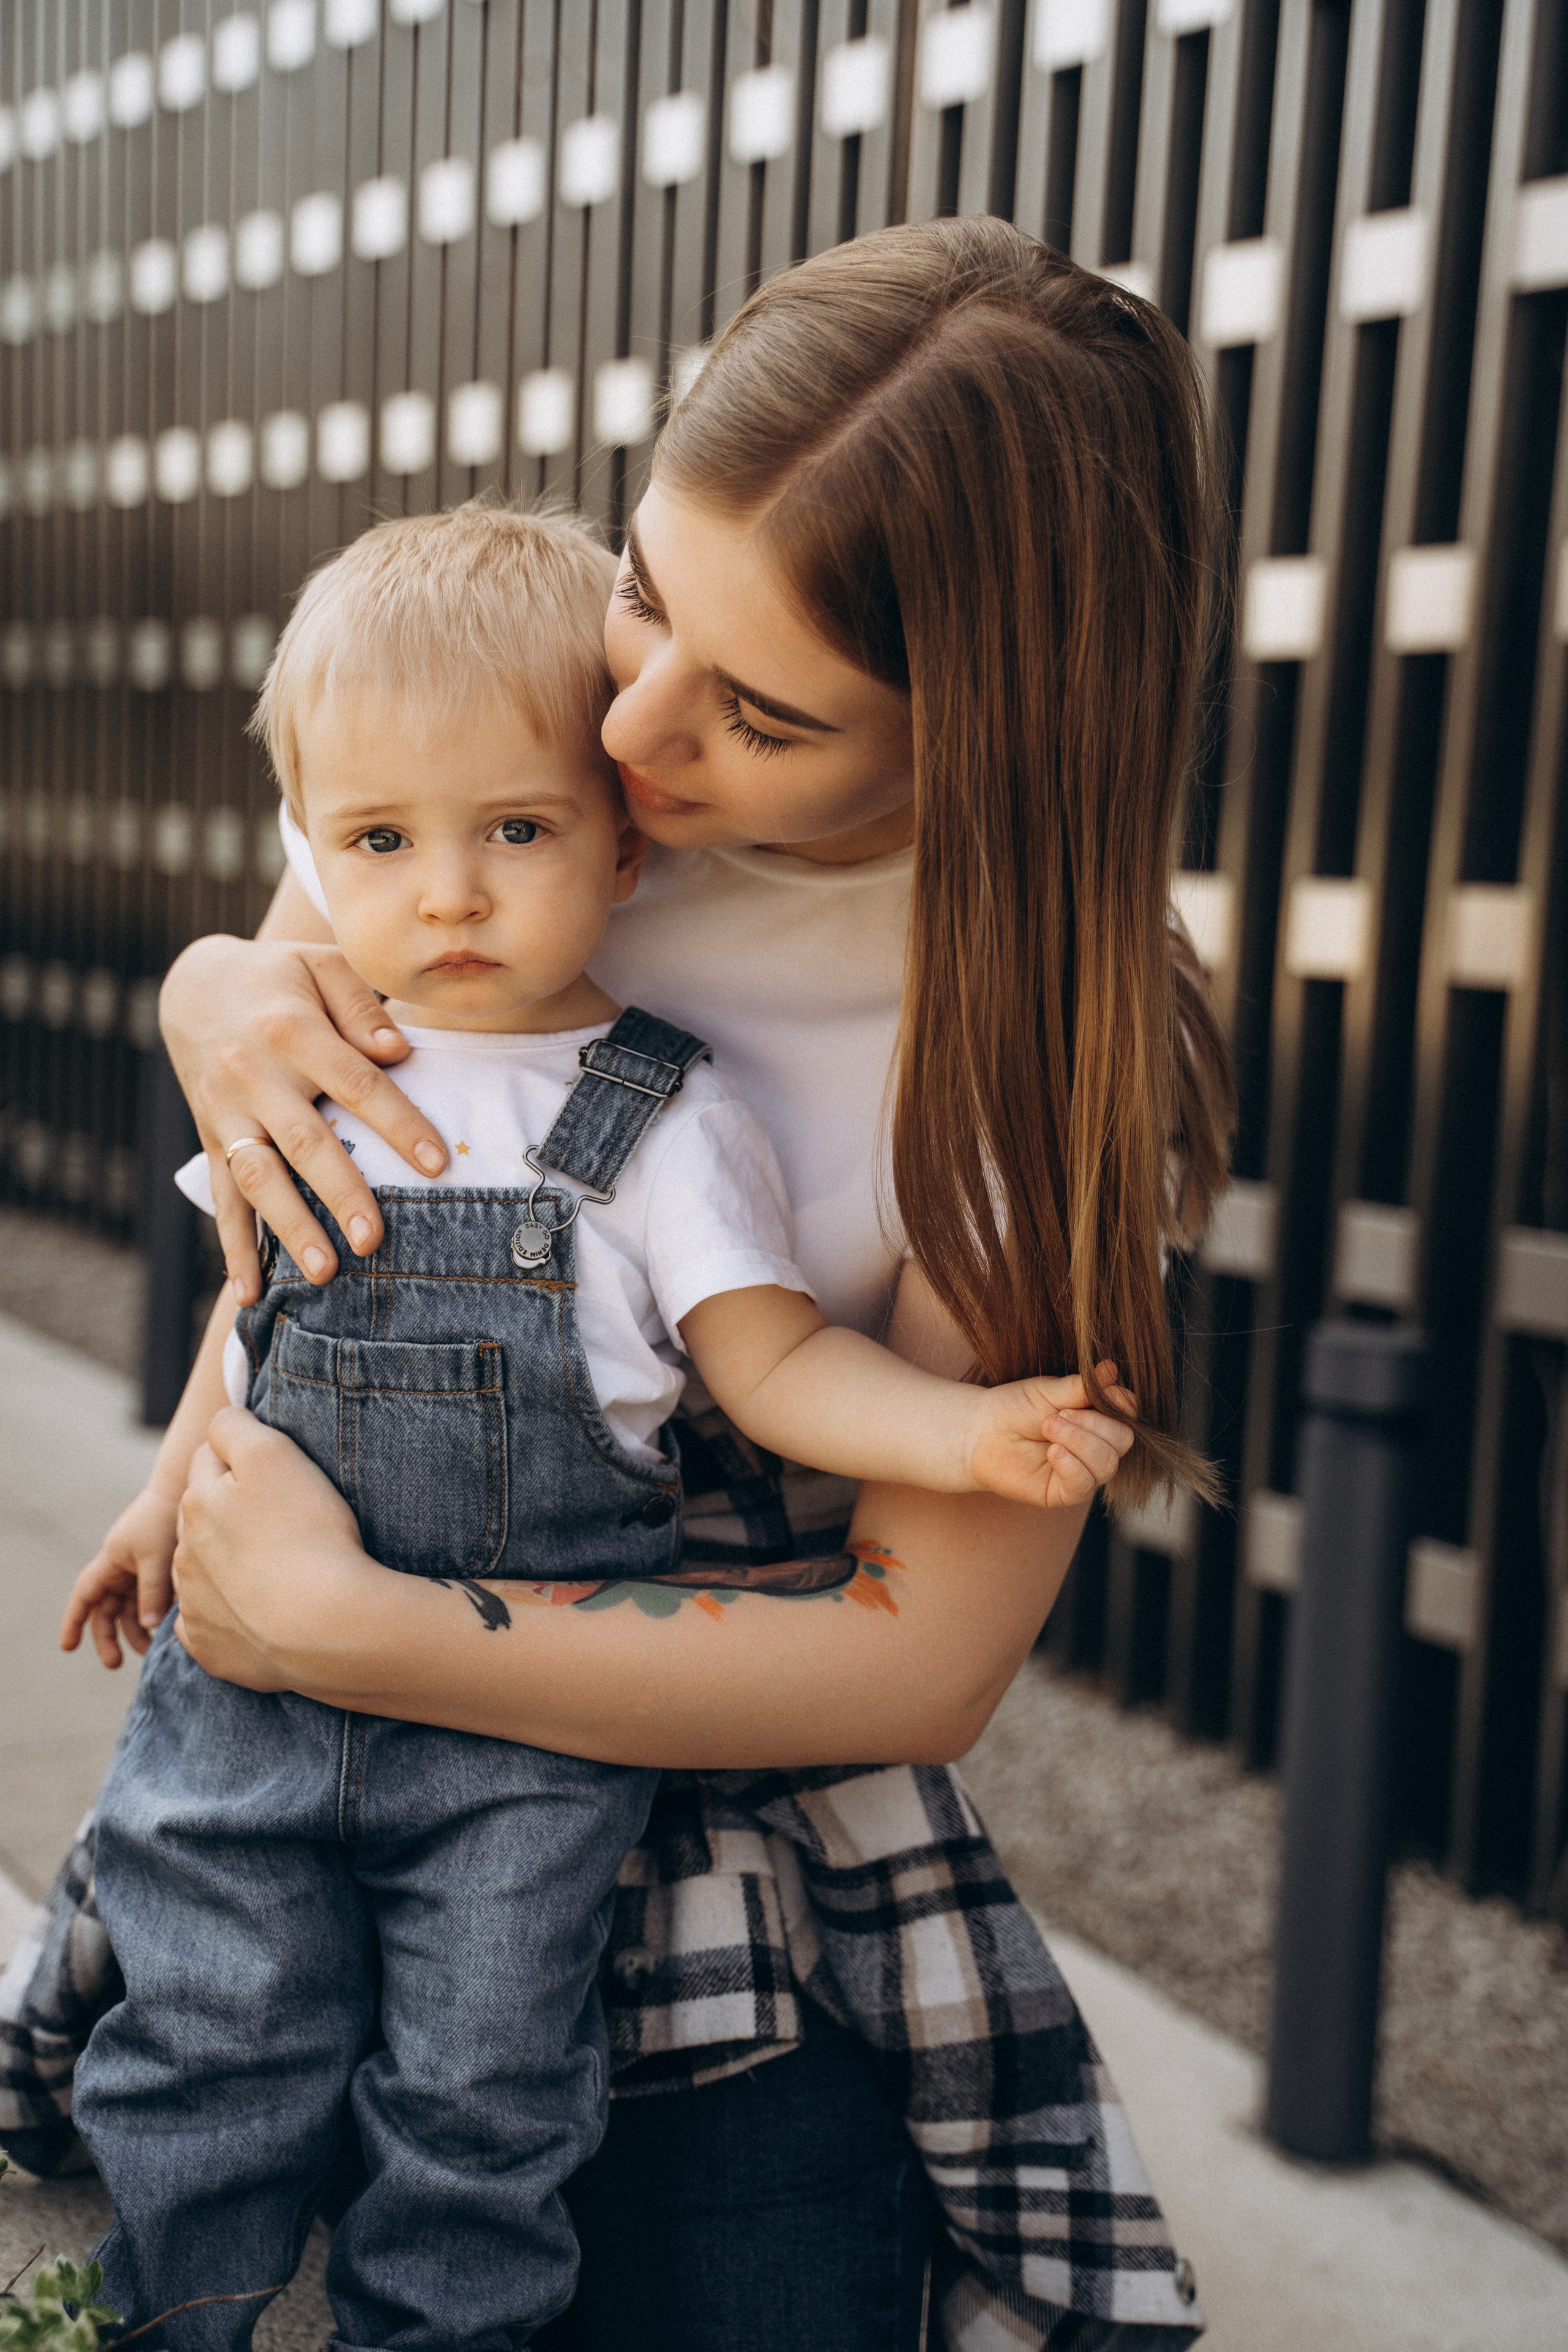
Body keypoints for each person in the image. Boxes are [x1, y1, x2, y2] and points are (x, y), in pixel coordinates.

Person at [11, 215, 1232, 2352]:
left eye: (759, 710)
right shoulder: (496, 745)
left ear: (990, 739)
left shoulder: (1036, 1047)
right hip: (279, 1743)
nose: (633, 732)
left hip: (698, 1819)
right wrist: (218, 987)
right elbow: (308, 1215)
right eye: (652, 593)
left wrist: (369, 1633)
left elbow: (916, 1663)